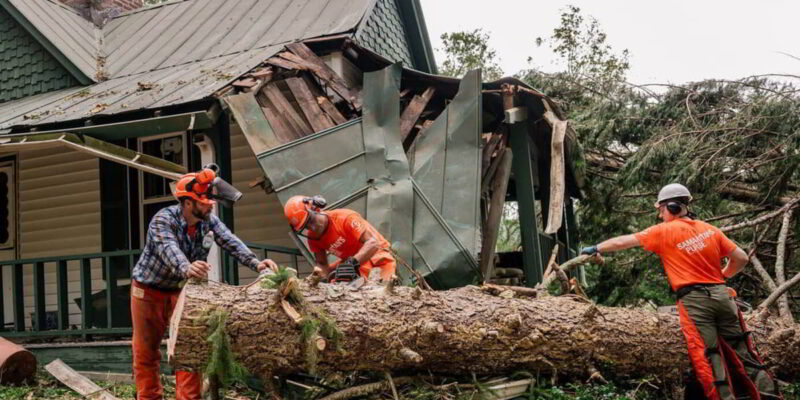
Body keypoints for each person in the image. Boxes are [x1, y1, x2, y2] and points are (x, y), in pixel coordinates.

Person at [580, 183, 779, 400]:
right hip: (722, 296)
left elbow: (622, 242)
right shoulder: (710, 229)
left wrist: (596, 248)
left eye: (661, 210)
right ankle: (769, 396)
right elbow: (741, 257)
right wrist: (723, 275)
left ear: (671, 207)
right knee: (745, 353)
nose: (659, 215)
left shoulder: (663, 231)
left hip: (695, 302)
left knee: (710, 356)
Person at [131, 167, 277, 400]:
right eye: (205, 201)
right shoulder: (162, 220)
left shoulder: (209, 220)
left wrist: (256, 264)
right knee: (146, 352)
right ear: (188, 203)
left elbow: (230, 240)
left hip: (182, 289)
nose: (211, 205)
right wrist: (186, 268)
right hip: (148, 290)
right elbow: (169, 249)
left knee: (189, 349)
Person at [283, 195, 396, 282]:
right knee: (337, 282)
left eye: (311, 221)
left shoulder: (344, 218)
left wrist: (351, 263)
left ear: (316, 209)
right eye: (306, 226)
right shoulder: (313, 238)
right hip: (354, 262)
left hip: (376, 254)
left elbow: (373, 243)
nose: (312, 227)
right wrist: (317, 279)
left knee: (380, 290)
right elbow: (322, 265)